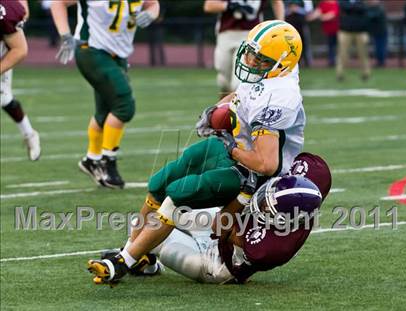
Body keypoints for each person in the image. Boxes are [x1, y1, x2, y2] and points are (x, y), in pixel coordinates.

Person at [87, 20, 306, 285]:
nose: (249, 60)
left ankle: (123, 262)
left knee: (181, 192)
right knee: (162, 181)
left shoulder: (280, 95)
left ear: (281, 63)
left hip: (252, 175)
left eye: (258, 58)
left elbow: (266, 163)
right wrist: (215, 111)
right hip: (236, 149)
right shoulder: (269, 73)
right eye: (249, 52)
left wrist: (231, 146)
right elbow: (242, 94)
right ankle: (139, 252)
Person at [94, 152, 331, 285]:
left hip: (219, 261)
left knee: (155, 236)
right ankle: (142, 258)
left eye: (267, 208)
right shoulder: (313, 175)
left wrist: (245, 195)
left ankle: (142, 258)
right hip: (231, 219)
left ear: (282, 222)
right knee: (160, 213)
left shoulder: (271, 248)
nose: (261, 203)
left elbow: (223, 226)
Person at [50, 0, 160, 189]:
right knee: (124, 106)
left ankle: (92, 158)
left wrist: (151, 14)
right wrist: (65, 35)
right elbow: (58, 3)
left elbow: (153, 4)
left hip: (119, 55)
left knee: (104, 111)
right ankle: (107, 161)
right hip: (92, 50)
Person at [203, 0, 285, 99]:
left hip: (250, 35)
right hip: (226, 34)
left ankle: (237, 110)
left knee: (238, 82)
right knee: (224, 80)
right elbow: (209, 6)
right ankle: (224, 109)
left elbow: (277, 2)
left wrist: (281, 25)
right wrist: (229, 5)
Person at [0, 0, 41, 161]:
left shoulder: (5, 10)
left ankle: (29, 134)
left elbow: (20, 49)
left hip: (3, 54)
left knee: (3, 99)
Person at [336, 0, 370, 81]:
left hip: (360, 31)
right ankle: (340, 74)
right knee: (342, 53)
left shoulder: (361, 2)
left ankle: (365, 73)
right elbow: (344, 6)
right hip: (345, 31)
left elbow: (363, 8)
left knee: (363, 53)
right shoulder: (343, 2)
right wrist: (354, 7)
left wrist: (352, 7)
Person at [308, 0, 339, 67]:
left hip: (337, 29)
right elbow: (317, 13)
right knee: (331, 45)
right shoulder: (323, 3)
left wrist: (322, 17)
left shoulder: (335, 3)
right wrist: (309, 17)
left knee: (335, 45)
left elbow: (332, 14)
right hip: (328, 30)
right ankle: (332, 61)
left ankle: (335, 60)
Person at [285, 0, 314, 68]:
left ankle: (307, 62)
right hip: (290, 25)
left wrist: (297, 9)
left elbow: (309, 12)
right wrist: (290, 10)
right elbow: (282, 11)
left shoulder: (306, 1)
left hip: (301, 24)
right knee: (290, 44)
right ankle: (293, 61)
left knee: (305, 43)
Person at [367, 0, 388, 68]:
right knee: (378, 48)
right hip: (375, 32)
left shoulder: (380, 8)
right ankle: (380, 62)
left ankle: (381, 62)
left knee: (381, 48)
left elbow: (373, 16)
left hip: (381, 32)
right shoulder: (370, 8)